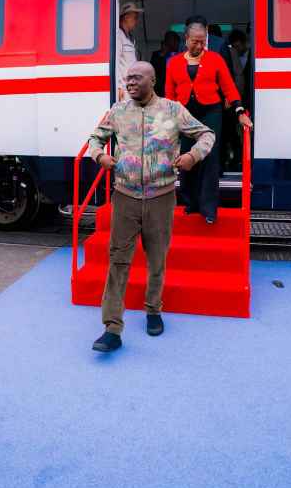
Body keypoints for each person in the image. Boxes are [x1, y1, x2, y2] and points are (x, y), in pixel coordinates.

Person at [87, 61, 215, 353]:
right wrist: (99, 156)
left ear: (153, 80)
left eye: (136, 77)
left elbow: (207, 134)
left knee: (157, 258)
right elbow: (95, 138)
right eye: (128, 77)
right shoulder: (118, 111)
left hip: (161, 197)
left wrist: (194, 156)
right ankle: (112, 328)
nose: (130, 82)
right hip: (125, 196)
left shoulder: (173, 110)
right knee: (118, 261)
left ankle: (153, 309)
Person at [165, 20, 253, 224]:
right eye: (195, 42)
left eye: (202, 42)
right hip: (184, 114)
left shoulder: (215, 59)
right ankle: (191, 202)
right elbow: (169, 93)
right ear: (186, 40)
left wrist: (240, 110)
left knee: (210, 158)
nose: (199, 46)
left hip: (210, 112)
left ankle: (209, 207)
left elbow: (229, 86)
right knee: (187, 157)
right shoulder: (175, 62)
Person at [220, 29, 251, 169]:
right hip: (233, 100)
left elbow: (238, 78)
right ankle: (234, 159)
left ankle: (235, 160)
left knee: (230, 132)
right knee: (230, 132)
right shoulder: (230, 52)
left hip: (232, 101)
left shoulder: (229, 52)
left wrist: (235, 99)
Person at [115, 1, 143, 101]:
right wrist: (118, 86)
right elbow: (116, 62)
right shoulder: (118, 35)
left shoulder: (131, 38)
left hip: (132, 86)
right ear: (126, 17)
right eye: (135, 18)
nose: (137, 21)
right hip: (124, 88)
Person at [150, 30, 179, 97]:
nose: (176, 44)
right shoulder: (156, 55)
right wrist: (163, 54)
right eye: (174, 41)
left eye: (177, 41)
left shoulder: (179, 56)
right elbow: (153, 71)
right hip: (160, 91)